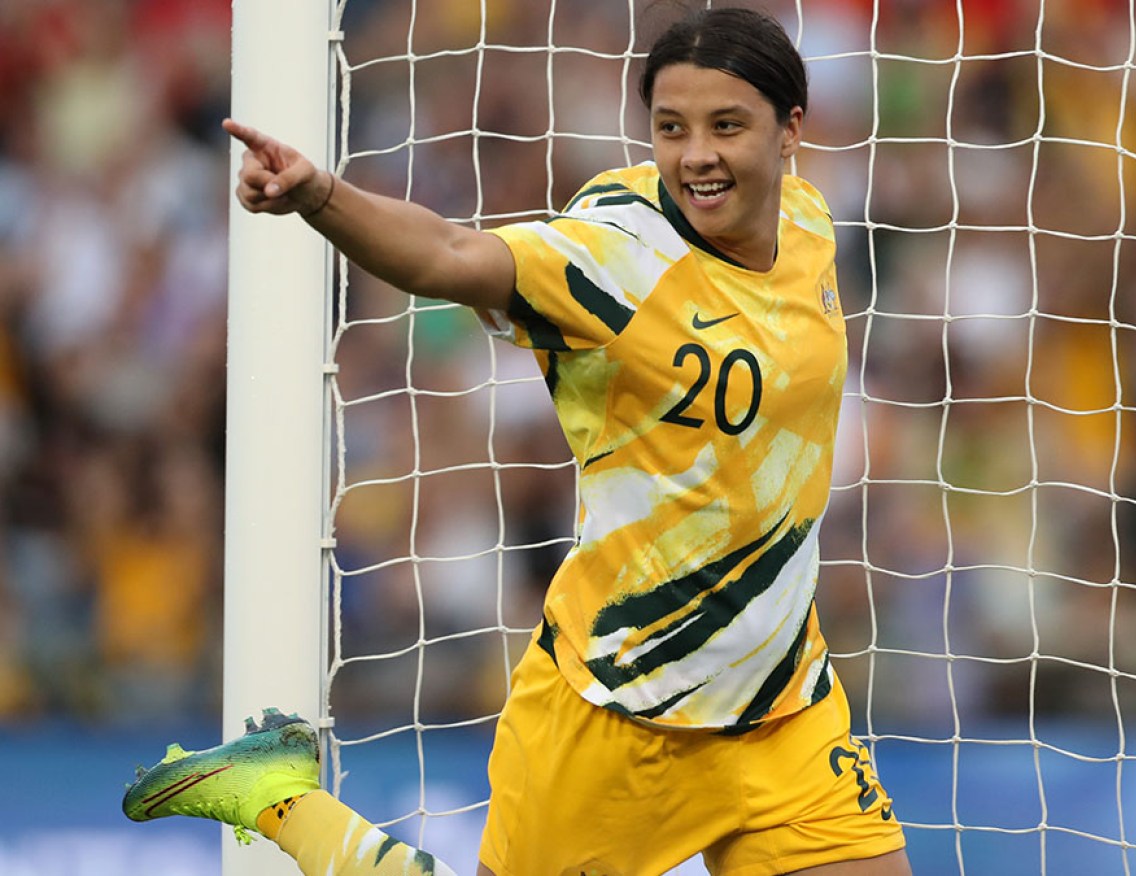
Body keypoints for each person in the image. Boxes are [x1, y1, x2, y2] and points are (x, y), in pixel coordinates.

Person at [122, 7, 913, 875]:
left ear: (790, 128)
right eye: (670, 127)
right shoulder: (614, 260)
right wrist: (320, 195)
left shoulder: (807, 223)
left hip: (783, 708)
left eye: (726, 126)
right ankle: (277, 796)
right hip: (620, 710)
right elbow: (449, 253)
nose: (696, 155)